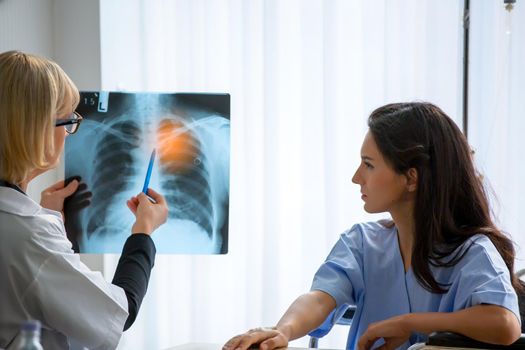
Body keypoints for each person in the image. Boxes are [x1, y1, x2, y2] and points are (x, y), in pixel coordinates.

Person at [223, 102, 522, 350]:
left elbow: (505, 324)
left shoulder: (472, 253)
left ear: (411, 178)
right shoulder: (363, 243)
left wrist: (409, 322)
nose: (356, 177)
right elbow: (320, 298)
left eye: (368, 164)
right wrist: (283, 330)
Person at [0, 50, 169, 349]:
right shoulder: (30, 237)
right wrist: (143, 232)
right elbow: (120, 312)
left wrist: (48, 218)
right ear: (34, 129)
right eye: (65, 122)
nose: (68, 134)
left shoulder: (21, 225)